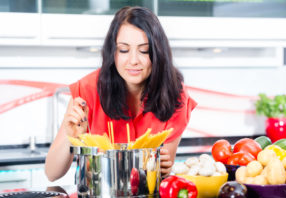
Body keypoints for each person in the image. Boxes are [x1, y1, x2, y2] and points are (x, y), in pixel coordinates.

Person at [45, 6, 197, 181]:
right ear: (113, 52)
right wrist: (71, 138)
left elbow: (158, 175)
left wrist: (164, 167)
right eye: (124, 50)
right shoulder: (87, 90)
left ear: (158, 53)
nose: (133, 60)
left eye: (144, 50)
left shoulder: (175, 95)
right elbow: (52, 173)